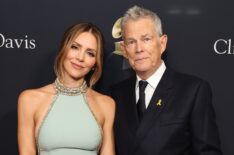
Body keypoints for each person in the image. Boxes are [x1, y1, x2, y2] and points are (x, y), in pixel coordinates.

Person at [110, 5, 222, 155]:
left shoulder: (193, 91)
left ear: (162, 43)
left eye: (146, 39)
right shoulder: (115, 94)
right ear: (124, 49)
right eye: (131, 42)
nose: (139, 49)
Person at [18, 22, 115, 155]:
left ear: (95, 63)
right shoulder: (30, 99)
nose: (80, 58)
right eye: (75, 47)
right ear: (63, 48)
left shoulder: (107, 104)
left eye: (90, 53)